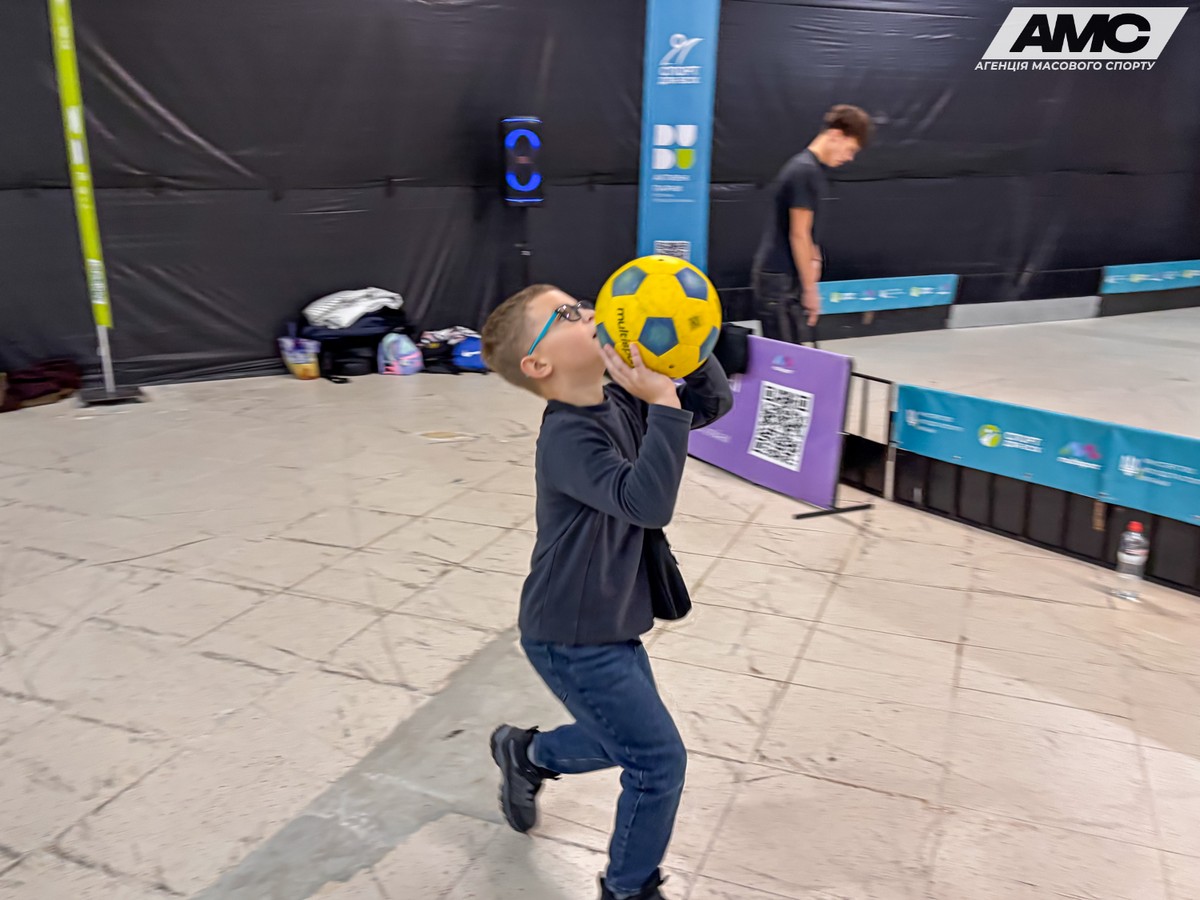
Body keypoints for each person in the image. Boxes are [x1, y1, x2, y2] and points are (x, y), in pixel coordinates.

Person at [480, 285, 732, 900]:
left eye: (583, 303)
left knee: (621, 738)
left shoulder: (620, 397)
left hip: (612, 620)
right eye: (568, 315)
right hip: (570, 633)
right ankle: (628, 889)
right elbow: (645, 502)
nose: (591, 312)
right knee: (657, 761)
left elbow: (712, 403)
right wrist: (663, 403)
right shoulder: (567, 436)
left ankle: (527, 753)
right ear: (539, 364)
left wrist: (684, 342)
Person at [751, 104, 874, 343]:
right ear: (835, 135)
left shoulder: (811, 170)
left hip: (785, 276)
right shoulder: (804, 172)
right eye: (850, 149)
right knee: (785, 355)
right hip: (778, 278)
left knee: (793, 350)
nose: (849, 158)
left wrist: (814, 258)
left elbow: (808, 232)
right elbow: (799, 234)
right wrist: (810, 290)